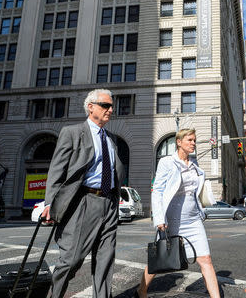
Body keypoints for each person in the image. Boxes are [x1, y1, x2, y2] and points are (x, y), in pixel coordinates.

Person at [41, 89, 125, 298]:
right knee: (71, 259)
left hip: (110, 203)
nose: (110, 110)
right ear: (91, 107)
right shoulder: (72, 132)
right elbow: (57, 170)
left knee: (105, 260)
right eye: (105, 105)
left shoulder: (111, 138)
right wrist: (50, 202)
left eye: (111, 106)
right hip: (83, 202)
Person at [136, 129, 220, 298]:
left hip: (193, 219)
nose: (193, 143)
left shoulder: (195, 165)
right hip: (172, 219)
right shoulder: (167, 162)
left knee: (206, 259)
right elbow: (158, 190)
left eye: (195, 140)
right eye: (190, 140)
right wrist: (159, 218)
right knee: (161, 257)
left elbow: (195, 193)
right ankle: (141, 291)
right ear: (179, 142)